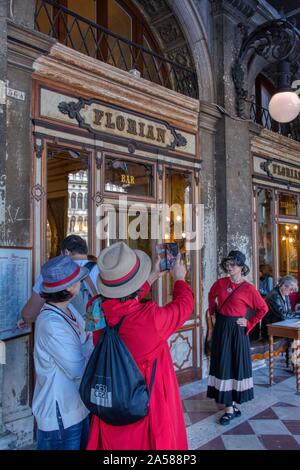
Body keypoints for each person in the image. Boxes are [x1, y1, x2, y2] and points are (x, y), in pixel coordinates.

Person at [86, 241, 194, 450]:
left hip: (111, 401)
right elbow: (184, 306)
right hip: (143, 403)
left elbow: (121, 306)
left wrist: (151, 277)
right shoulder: (148, 318)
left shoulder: (95, 308)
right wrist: (179, 279)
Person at [32, 255, 94, 450]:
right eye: (77, 280)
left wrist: (84, 346)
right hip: (61, 416)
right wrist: (85, 347)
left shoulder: (68, 311)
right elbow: (77, 368)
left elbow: (88, 339)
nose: (81, 283)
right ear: (68, 288)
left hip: (77, 407)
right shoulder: (51, 323)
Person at [207, 250, 268, 425]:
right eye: (227, 264)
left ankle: (232, 406)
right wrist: (213, 313)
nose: (229, 267)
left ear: (241, 266)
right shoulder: (220, 283)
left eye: (233, 264)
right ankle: (229, 408)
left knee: (235, 366)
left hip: (237, 330)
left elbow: (263, 309)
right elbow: (211, 296)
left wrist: (249, 323)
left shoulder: (249, 289)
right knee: (224, 366)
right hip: (222, 329)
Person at [17, 235, 99, 327]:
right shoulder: (102, 270)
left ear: (66, 252)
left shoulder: (52, 273)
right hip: (97, 333)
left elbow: (29, 315)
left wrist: (29, 319)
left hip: (64, 331)